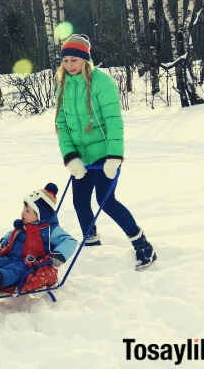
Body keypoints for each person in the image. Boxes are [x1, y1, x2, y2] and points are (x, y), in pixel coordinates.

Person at [54, 34, 157, 270]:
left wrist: (114, 157)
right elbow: (61, 124)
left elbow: (113, 122)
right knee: (79, 201)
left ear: (85, 60)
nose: (70, 65)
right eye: (66, 60)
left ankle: (143, 245)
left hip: (105, 154)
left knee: (105, 200)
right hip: (81, 157)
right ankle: (91, 244)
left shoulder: (102, 83)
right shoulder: (63, 84)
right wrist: (70, 158)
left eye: (75, 60)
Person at [0, 183, 76, 294]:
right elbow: (12, 234)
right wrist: (6, 240)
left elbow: (70, 241)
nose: (23, 213)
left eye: (28, 211)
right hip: (11, 255)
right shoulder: (24, 225)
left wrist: (59, 254)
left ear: (40, 215)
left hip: (29, 263)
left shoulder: (50, 230)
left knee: (15, 269)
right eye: (24, 209)